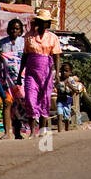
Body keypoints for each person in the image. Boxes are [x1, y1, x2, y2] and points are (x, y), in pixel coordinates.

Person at [18, 7, 61, 137]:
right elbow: (25, 56)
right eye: (41, 21)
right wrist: (20, 73)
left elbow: (56, 56)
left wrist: (57, 74)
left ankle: (42, 129)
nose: (44, 24)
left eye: (46, 22)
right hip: (31, 71)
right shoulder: (29, 37)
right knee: (30, 99)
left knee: (45, 99)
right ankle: (32, 130)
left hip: (46, 72)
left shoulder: (53, 38)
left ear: (48, 24)